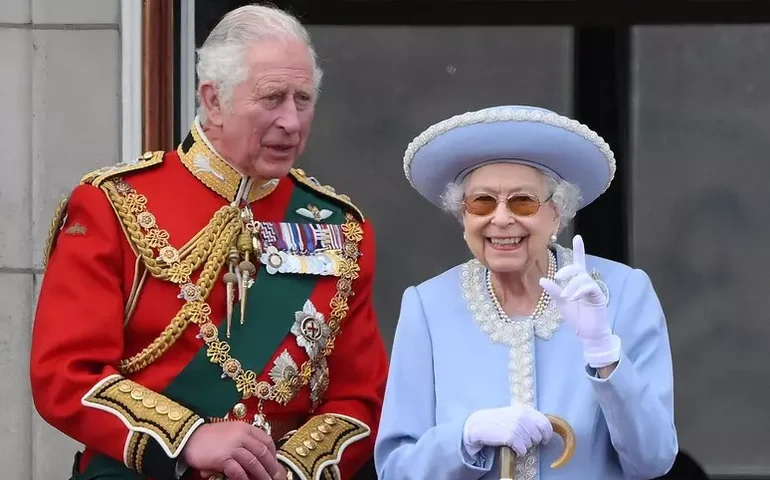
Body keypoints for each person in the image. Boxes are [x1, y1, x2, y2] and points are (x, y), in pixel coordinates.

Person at [30, 5, 388, 480]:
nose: (291, 121)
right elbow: (66, 375)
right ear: (213, 99)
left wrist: (290, 467)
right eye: (272, 98)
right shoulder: (114, 205)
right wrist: (187, 438)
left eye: (303, 99)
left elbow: (361, 396)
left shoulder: (341, 228)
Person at [374, 105, 678, 479]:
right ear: (463, 216)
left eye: (523, 202)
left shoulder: (624, 292)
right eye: (482, 202)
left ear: (557, 213)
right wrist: (464, 437)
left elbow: (653, 459)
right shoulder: (427, 306)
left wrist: (604, 352)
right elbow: (395, 469)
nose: (501, 219)